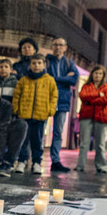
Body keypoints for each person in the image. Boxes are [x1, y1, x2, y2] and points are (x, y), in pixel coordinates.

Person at [9, 53, 57, 175]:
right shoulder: (24, 80)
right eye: (34, 63)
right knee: (23, 140)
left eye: (39, 63)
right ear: (30, 65)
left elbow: (54, 96)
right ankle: (22, 161)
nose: (36, 66)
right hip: (24, 115)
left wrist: (50, 110)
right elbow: (17, 96)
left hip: (40, 116)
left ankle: (36, 163)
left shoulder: (49, 80)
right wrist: (17, 109)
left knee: (37, 141)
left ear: (44, 65)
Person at [45, 37, 78, 172]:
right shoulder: (46, 61)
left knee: (58, 132)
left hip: (63, 101)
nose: (58, 47)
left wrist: (55, 78)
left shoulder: (70, 63)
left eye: (60, 45)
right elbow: (45, 78)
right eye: (55, 45)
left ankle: (55, 161)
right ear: (52, 47)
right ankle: (35, 159)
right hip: (46, 99)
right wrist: (65, 79)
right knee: (40, 131)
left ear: (65, 48)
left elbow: (74, 79)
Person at [75, 65, 107, 173]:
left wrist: (90, 101)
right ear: (92, 74)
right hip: (86, 117)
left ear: (103, 75)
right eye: (96, 73)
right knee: (84, 143)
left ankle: (101, 167)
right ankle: (80, 166)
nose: (98, 75)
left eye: (100, 73)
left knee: (100, 144)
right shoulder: (86, 86)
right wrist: (98, 95)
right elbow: (83, 96)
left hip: (102, 117)